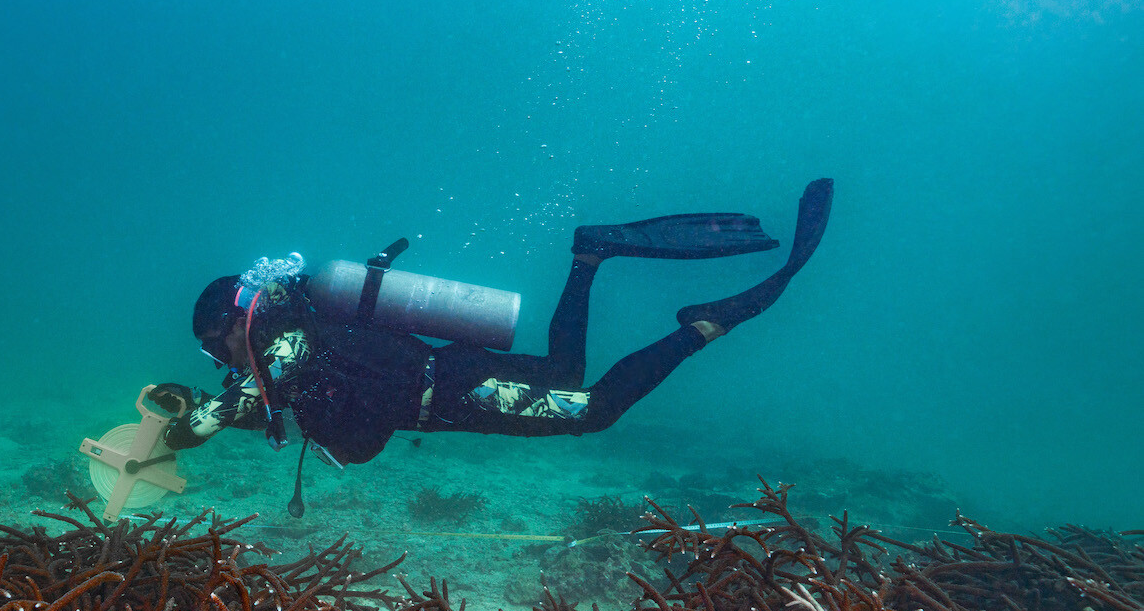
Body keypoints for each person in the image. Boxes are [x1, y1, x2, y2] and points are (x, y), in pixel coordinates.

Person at [151, 180, 832, 485]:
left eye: (216, 347)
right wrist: (200, 407)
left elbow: (237, 404)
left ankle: (701, 328)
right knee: (566, 373)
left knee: (593, 411)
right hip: (454, 377)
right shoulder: (291, 344)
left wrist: (181, 431)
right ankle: (589, 257)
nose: (221, 360)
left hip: (462, 391)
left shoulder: (285, 344)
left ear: (231, 323)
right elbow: (261, 406)